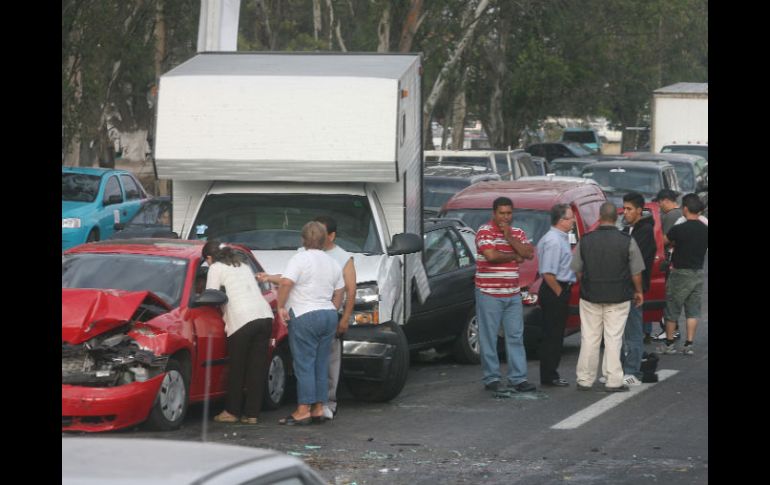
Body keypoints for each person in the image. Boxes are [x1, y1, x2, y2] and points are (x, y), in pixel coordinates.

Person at [571, 202, 645, 392]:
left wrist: (587, 281)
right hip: (619, 297)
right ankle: (613, 381)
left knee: (589, 337)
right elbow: (636, 271)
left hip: (590, 296)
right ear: (616, 218)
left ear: (599, 217)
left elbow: (577, 270)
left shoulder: (585, 240)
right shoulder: (626, 240)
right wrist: (638, 291)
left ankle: (585, 379)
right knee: (614, 338)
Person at [275, 221, 344, 425]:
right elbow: (340, 291)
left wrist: (280, 306)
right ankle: (318, 408)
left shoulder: (300, 258)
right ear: (324, 240)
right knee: (321, 363)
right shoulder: (332, 262)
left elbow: (286, 282)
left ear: (303, 240)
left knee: (304, 363)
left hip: (305, 314)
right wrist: (333, 308)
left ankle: (303, 409)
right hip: (328, 314)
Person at [203, 240, 274, 425]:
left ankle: (232, 412)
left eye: (206, 260)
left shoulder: (216, 267)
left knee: (237, 368)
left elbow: (210, 294)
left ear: (209, 257)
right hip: (265, 316)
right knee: (256, 368)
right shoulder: (241, 264)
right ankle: (252, 414)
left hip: (242, 319)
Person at [475, 196, 537, 393]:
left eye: (509, 213)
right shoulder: (485, 231)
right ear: (494, 213)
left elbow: (528, 253)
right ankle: (491, 377)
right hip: (489, 293)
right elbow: (491, 255)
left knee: (515, 336)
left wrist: (508, 236)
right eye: (502, 213)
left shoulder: (517, 232)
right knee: (489, 337)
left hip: (512, 293)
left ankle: (518, 378)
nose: (505, 217)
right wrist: (513, 256)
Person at [313, 216, 356, 421]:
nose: (317, 237)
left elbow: (351, 291)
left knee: (330, 361)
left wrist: (345, 319)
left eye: (322, 232)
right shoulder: (304, 253)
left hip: (331, 316)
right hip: (307, 315)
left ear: (332, 235)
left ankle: (329, 402)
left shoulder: (343, 257)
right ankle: (309, 402)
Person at [661, 193, 708, 356]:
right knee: (693, 310)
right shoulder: (705, 229)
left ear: (686, 209)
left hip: (680, 272)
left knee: (672, 309)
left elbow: (663, 242)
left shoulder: (679, 228)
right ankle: (689, 344)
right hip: (698, 272)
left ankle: (669, 343)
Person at [536, 204, 576, 387]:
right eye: (570, 217)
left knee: (556, 334)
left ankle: (551, 372)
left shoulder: (560, 238)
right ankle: (549, 375)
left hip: (559, 288)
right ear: (561, 221)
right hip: (555, 289)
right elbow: (548, 273)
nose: (573, 220)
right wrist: (560, 294)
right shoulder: (553, 240)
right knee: (552, 335)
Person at [619, 192, 656, 386]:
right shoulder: (628, 229)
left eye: (629, 209)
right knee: (618, 333)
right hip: (621, 288)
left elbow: (635, 261)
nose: (625, 212)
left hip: (634, 289)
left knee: (633, 332)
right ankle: (619, 370)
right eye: (624, 209)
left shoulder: (645, 231)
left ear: (639, 210)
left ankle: (632, 371)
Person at [651, 189, 682, 342]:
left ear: (665, 200)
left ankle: (671, 329)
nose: (659, 205)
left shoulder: (671, 216)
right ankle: (672, 329)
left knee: (668, 296)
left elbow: (664, 239)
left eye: (659, 202)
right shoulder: (679, 213)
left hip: (669, 260)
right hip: (678, 261)